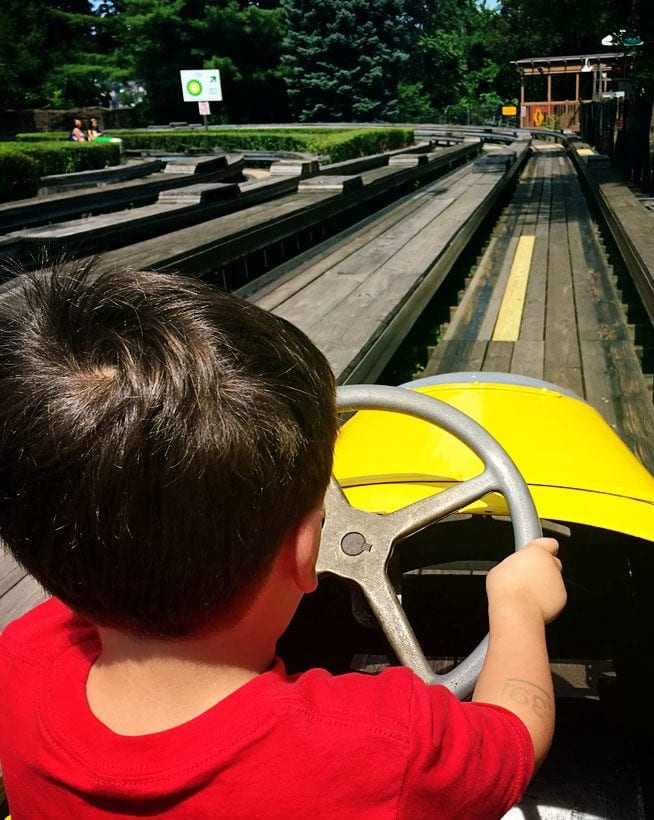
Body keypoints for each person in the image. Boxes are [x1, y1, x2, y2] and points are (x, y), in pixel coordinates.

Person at [0, 262, 567, 818]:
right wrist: (517, 606)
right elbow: (514, 737)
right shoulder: (385, 744)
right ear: (307, 548)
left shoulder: (20, 662)